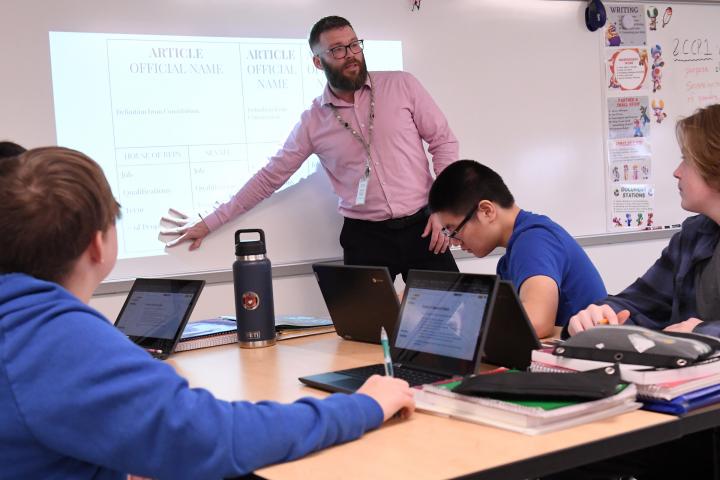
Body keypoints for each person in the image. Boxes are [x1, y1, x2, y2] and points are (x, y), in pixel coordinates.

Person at [0, 146, 415, 479]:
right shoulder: (56, 340)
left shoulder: (20, 323)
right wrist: (364, 406)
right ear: (98, 244)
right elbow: (217, 438)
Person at [162, 15, 459, 281]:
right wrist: (211, 221)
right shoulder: (313, 121)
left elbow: (443, 141)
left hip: (425, 225)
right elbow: (269, 177)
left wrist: (444, 209)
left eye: (354, 44)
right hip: (366, 237)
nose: (351, 55)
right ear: (318, 61)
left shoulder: (402, 85)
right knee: (366, 332)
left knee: (455, 320)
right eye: (337, 50)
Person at [568, 104, 720, 338]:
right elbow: (640, 304)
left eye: (686, 160)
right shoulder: (693, 236)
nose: (677, 172)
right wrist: (600, 316)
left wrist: (703, 331)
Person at [427, 160, 607, 338]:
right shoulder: (509, 259)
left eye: (454, 229)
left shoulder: (534, 240)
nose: (454, 241)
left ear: (487, 211)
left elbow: (537, 322)